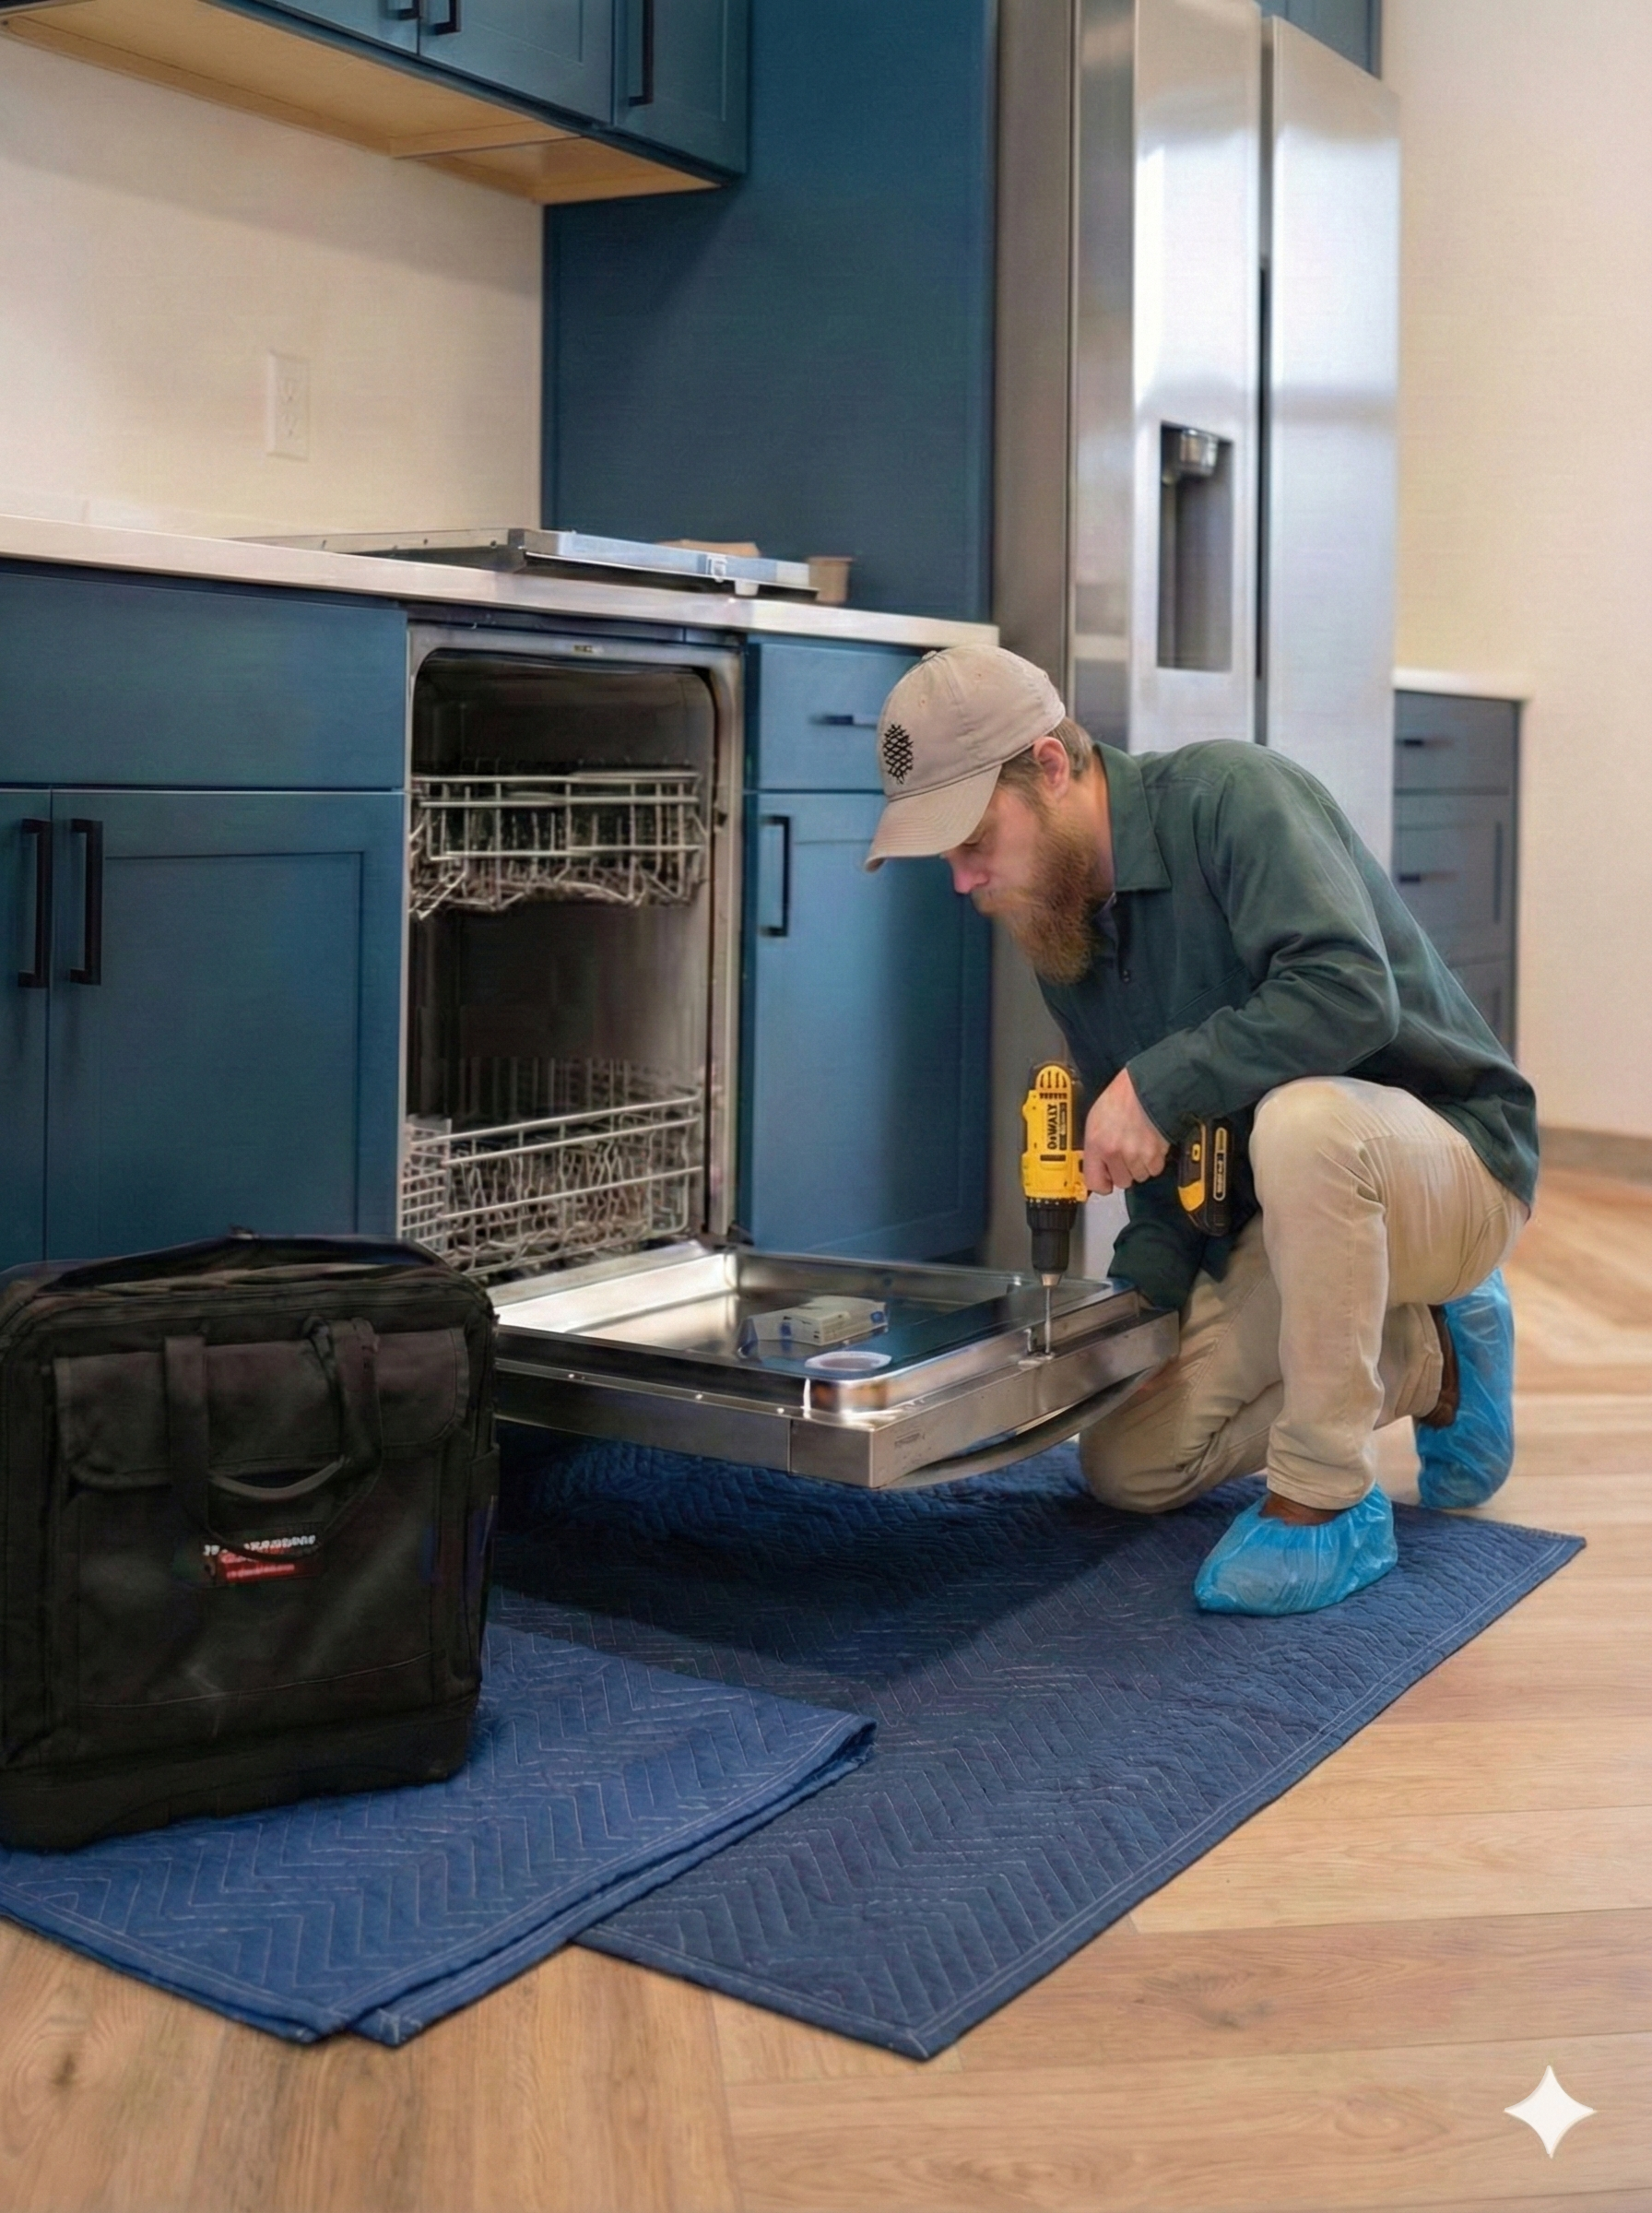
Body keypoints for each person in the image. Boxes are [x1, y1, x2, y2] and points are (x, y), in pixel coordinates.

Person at [865, 644, 1537, 1616]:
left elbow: (1350, 997)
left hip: (1453, 1163)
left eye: (972, 840)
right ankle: (1435, 1361)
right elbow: (1160, 1169)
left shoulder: (1231, 796)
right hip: (1290, 1220)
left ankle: (1328, 1500)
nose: (964, 881)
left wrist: (1154, 1083)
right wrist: (1135, 1320)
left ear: (1050, 768)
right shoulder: (1063, 933)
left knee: (1304, 1123)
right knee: (1128, 1464)